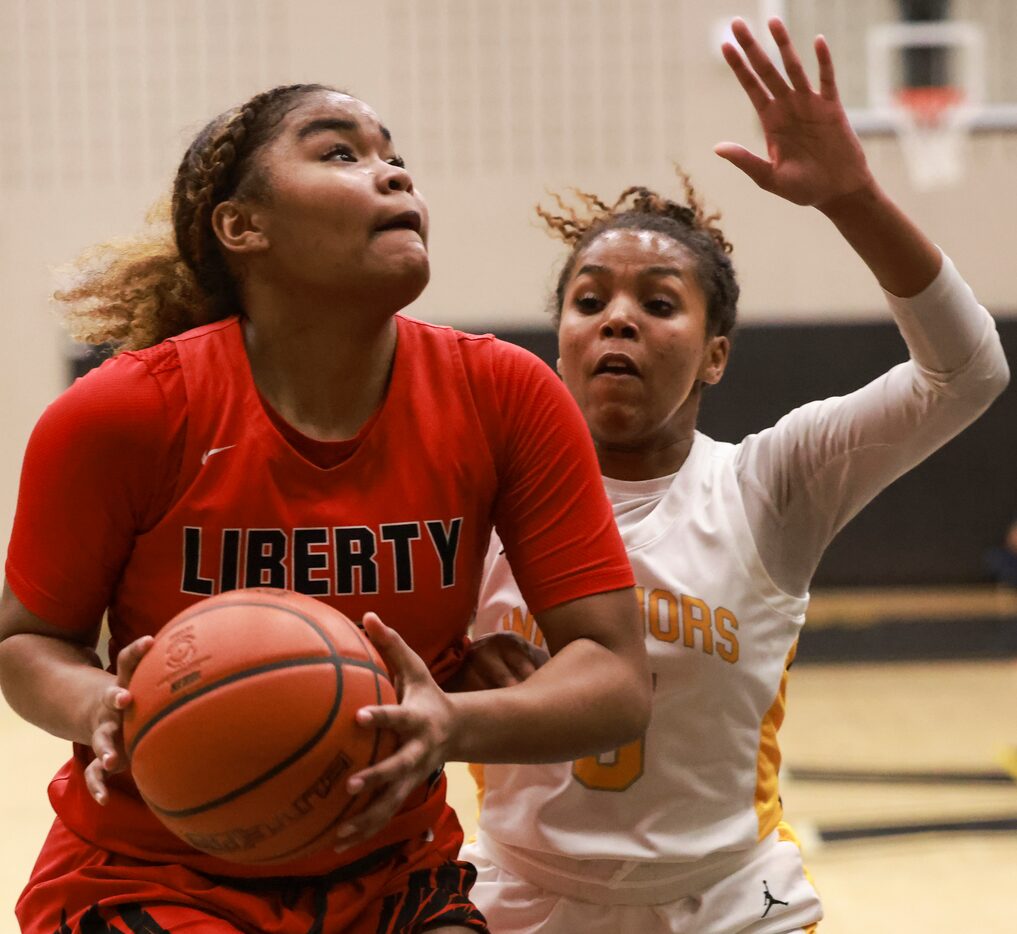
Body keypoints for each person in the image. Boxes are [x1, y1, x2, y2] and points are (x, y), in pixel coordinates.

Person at [0, 83, 652, 933]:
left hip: (391, 871)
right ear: (243, 227)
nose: (393, 175)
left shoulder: (506, 394)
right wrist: (98, 707)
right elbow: (23, 642)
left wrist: (451, 720)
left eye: (394, 155)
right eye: (341, 153)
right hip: (149, 872)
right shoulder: (124, 413)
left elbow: (612, 673)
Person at [460, 17, 1009, 934]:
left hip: (726, 901)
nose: (617, 320)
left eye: (658, 303)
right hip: (522, 894)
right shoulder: (480, 493)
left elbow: (967, 371)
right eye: (588, 300)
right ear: (557, 340)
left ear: (715, 356)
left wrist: (853, 198)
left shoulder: (770, 482)